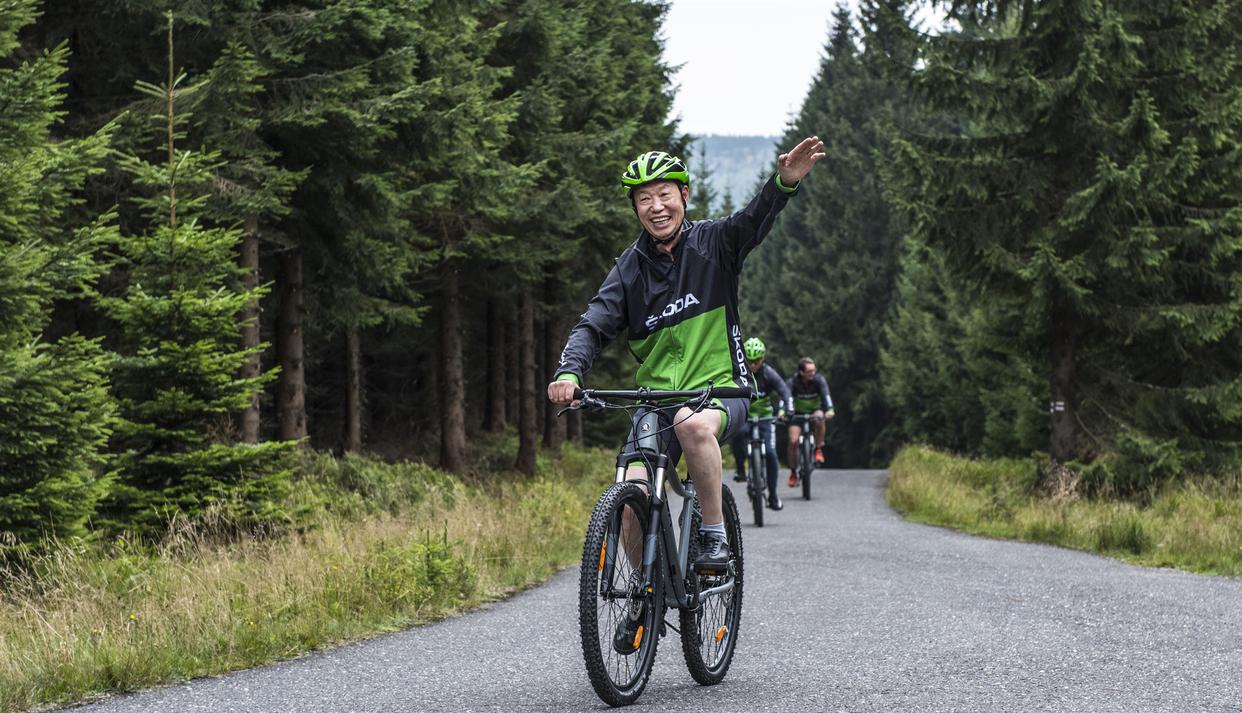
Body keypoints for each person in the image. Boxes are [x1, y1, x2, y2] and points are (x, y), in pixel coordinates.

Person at [547, 138, 824, 653]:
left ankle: (714, 535)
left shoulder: (715, 244)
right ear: (635, 208)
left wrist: (784, 183)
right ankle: (643, 592)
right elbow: (592, 326)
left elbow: (753, 220)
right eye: (644, 198)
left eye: (664, 194)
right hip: (656, 401)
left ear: (683, 195)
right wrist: (569, 371)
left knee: (694, 426)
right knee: (629, 493)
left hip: (720, 390)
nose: (656, 206)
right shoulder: (628, 269)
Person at [729, 337, 793, 510]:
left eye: (756, 361)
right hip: (745, 416)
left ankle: (773, 495)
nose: (752, 365)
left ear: (763, 359)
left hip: (766, 418)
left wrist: (788, 409)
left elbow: (785, 391)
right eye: (749, 361)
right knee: (739, 434)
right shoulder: (738, 372)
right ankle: (741, 469)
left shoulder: (768, 373)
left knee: (771, 454)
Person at [786, 356, 834, 487]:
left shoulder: (819, 380)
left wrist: (829, 410)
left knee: (820, 417)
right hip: (797, 415)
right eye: (809, 371)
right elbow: (786, 398)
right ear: (801, 372)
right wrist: (783, 412)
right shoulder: (793, 382)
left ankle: (818, 448)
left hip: (814, 412)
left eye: (814, 370)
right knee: (793, 441)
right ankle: (793, 472)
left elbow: (826, 396)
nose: (813, 373)